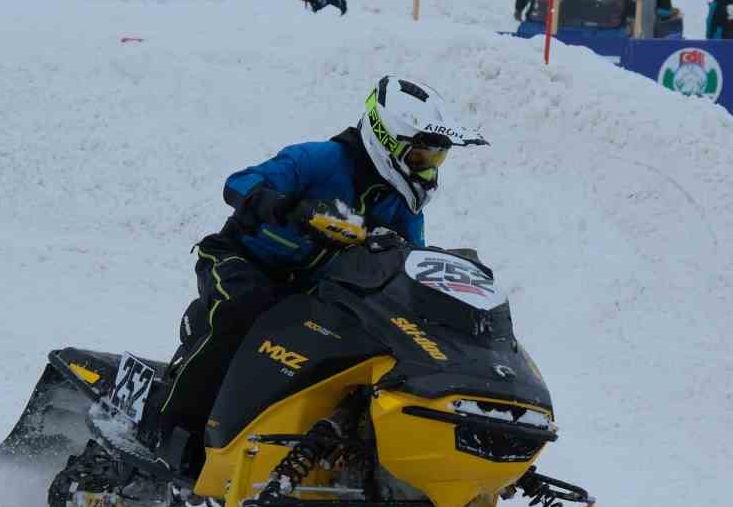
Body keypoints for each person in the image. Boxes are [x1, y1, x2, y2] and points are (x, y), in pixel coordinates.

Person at [143, 77, 488, 473]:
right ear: (386, 140)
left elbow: (410, 262)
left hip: (309, 291)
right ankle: (167, 442)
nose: (426, 172)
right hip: (241, 261)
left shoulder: (405, 207)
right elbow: (239, 183)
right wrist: (291, 208)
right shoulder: (322, 159)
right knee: (243, 312)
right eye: (420, 159)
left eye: (435, 160)